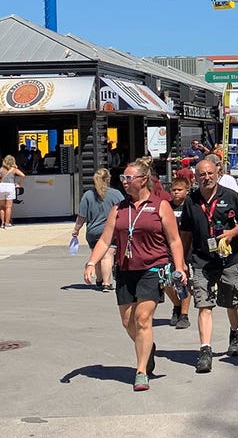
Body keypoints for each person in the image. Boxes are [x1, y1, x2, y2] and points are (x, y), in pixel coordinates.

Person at [82, 158, 186, 392]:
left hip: (152, 268)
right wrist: (91, 262)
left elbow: (174, 240)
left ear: (143, 180)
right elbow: (106, 239)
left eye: (129, 178)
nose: (125, 182)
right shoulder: (119, 208)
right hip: (126, 270)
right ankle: (147, 347)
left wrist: (179, 266)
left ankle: (141, 371)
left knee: (142, 319)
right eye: (123, 178)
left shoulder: (160, 205)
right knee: (128, 322)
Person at [181, 159, 238, 374]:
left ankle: (235, 332)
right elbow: (186, 233)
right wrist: (182, 260)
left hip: (228, 259)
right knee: (204, 305)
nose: (206, 177)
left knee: (231, 302)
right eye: (202, 174)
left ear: (218, 173)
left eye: (210, 173)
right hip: (202, 260)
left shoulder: (230, 196)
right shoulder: (191, 201)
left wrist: (231, 234)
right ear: (196, 177)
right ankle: (205, 350)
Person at [72, 168, 123, 291]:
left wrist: (76, 229)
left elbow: (82, 216)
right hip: (110, 231)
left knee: (97, 256)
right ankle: (106, 282)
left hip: (93, 231)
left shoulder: (88, 195)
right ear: (108, 179)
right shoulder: (116, 194)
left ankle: (99, 280)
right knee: (107, 255)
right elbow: (124, 212)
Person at [165, 177, 192, 329]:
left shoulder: (190, 206)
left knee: (183, 282)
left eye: (179, 190)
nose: (175, 193)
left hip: (186, 249)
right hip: (168, 250)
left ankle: (184, 314)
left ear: (187, 191)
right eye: (173, 190)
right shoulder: (167, 207)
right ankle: (176, 304)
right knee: (166, 282)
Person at [0, 155, 25, 229]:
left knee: (1, 207)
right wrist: (19, 183)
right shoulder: (14, 169)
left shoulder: (1, 169)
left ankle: (2, 224)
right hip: (10, 187)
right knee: (8, 207)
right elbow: (23, 175)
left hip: (1, 187)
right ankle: (7, 223)